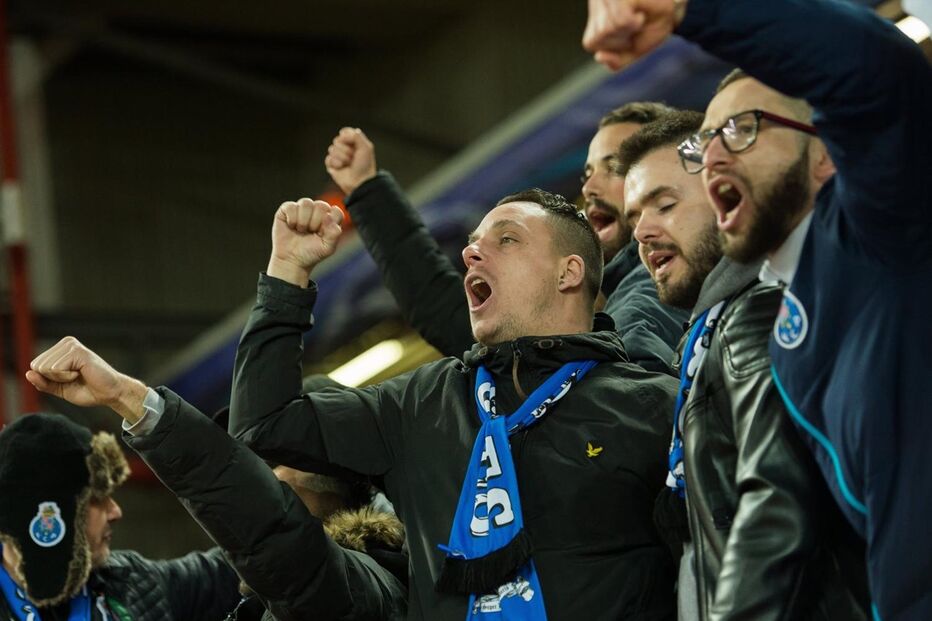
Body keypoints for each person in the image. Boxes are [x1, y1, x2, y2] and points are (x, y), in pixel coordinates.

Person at [584, 1, 932, 618]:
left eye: (742, 128)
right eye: (705, 143)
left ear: (825, 155)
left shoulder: (882, 232)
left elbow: (878, 68)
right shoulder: (793, 333)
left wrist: (692, 9)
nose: (714, 156)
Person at [229, 191, 679, 619]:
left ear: (569, 272)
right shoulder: (418, 404)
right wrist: (286, 273)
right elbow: (264, 422)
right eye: (471, 245)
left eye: (506, 239)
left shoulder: (652, 406)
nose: (471, 254)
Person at [620, 110, 870, 620]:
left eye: (664, 204)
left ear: (724, 194)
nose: (643, 232)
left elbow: (780, 507)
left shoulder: (755, 316)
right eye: (634, 220)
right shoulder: (706, 338)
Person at [24, 339, 408, 621]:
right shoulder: (243, 584)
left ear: (337, 472)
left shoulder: (369, 585)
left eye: (272, 460)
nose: (258, 474)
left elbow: (272, 529)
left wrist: (128, 397)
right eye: (251, 459)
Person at [324, 103, 688, 374]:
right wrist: (368, 193)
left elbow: (636, 385)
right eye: (588, 172)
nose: (590, 187)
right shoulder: (593, 304)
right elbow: (447, 312)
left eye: (615, 167)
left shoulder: (658, 287)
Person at [0, 411, 241, 621]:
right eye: (96, 499)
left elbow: (229, 574)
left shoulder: (130, 581)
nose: (116, 511)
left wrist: (265, 495)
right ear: (49, 517)